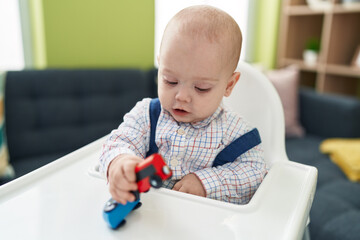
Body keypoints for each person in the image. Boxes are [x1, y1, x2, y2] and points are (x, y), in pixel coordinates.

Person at [99, 5, 267, 205]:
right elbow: (118, 141)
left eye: (201, 88)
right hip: (150, 216)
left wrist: (205, 183)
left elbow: (255, 171)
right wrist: (120, 163)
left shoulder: (235, 133)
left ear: (228, 85)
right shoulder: (147, 115)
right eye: (170, 81)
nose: (182, 97)